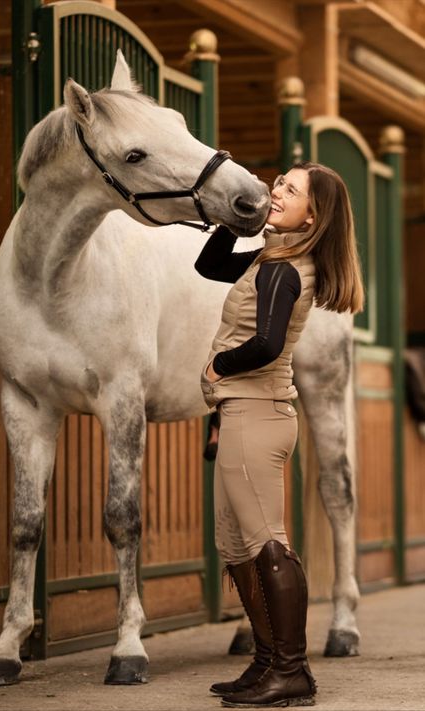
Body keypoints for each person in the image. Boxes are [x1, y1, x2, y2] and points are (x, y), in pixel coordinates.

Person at [195, 161, 364, 708]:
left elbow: (267, 345)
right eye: (279, 182)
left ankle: (291, 671)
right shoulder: (275, 258)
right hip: (247, 413)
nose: (277, 189)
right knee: (237, 545)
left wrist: (219, 365)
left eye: (289, 190)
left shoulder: (283, 271)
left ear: (312, 214)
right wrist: (243, 214)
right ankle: (267, 662)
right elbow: (210, 262)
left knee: (268, 545)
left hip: (255, 413)